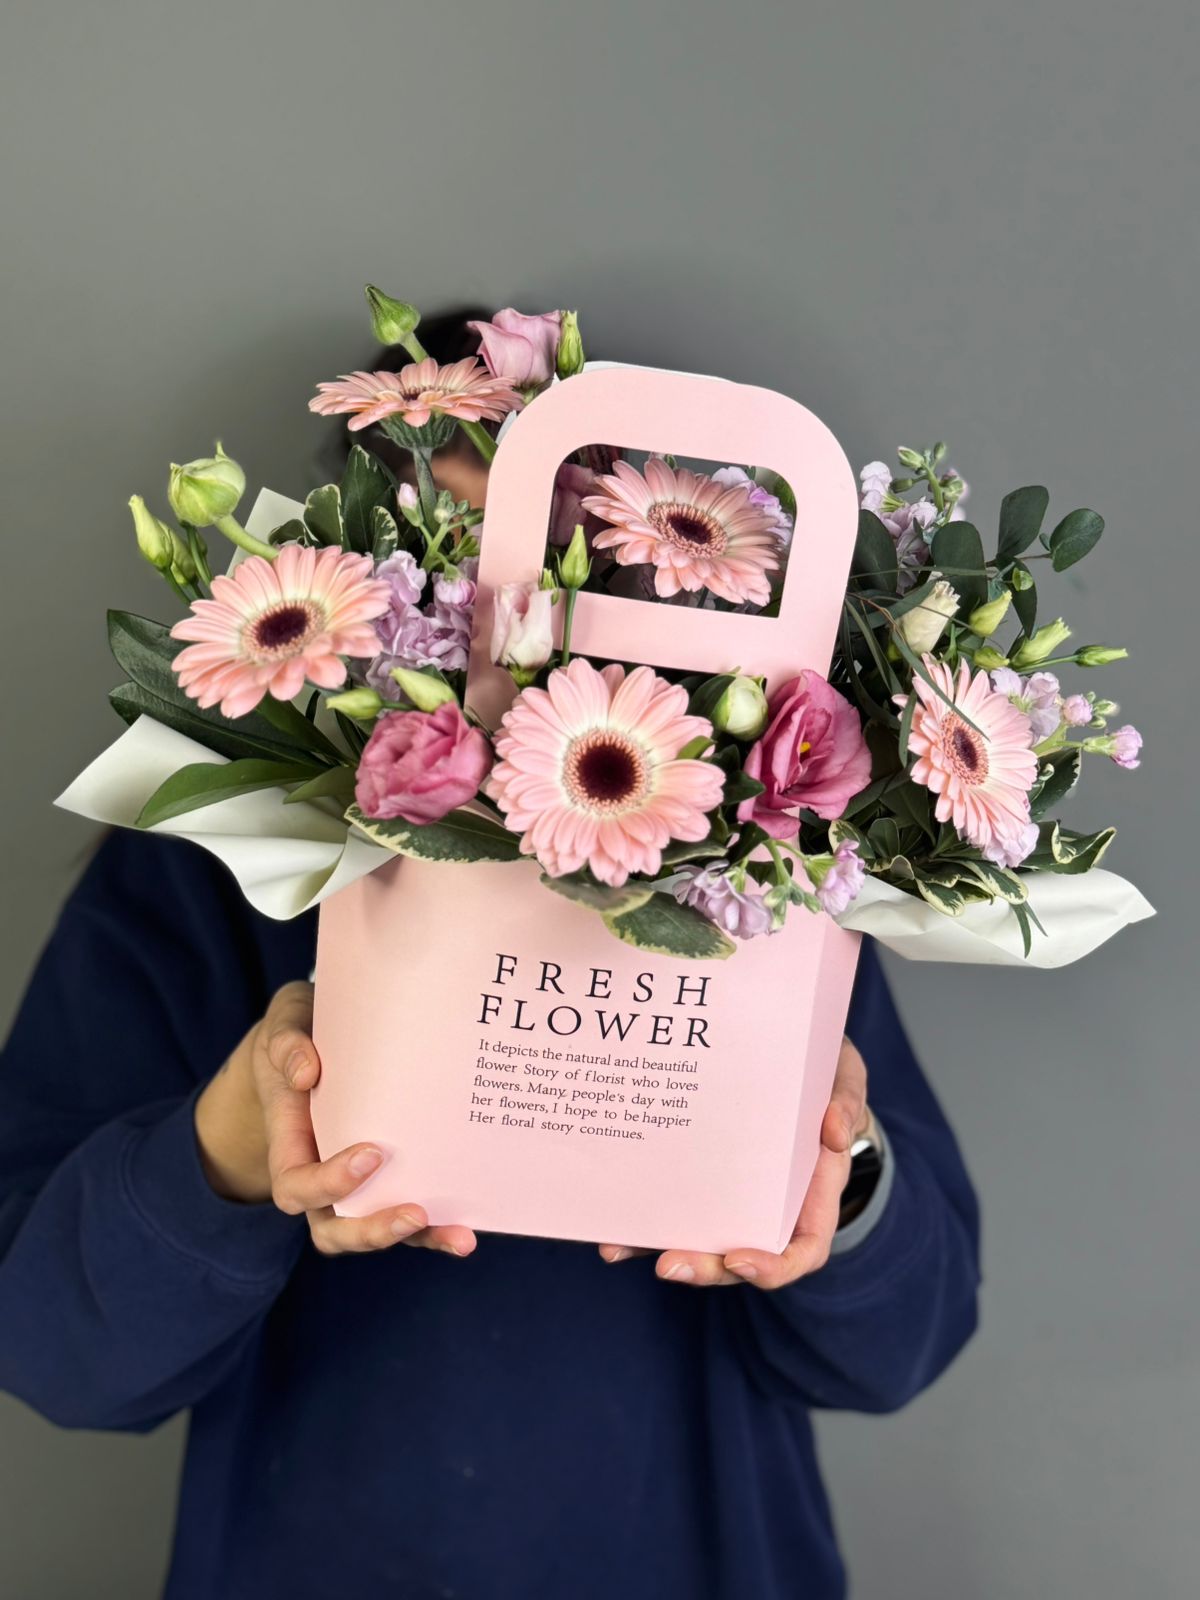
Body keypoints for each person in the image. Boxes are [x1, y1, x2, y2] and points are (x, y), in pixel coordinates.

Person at [0, 314, 981, 1600]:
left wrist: (837, 1180)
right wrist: (235, 1147)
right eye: (447, 570)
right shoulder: (211, 864)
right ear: (353, 589)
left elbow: (906, 1342)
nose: (498, 621)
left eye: (547, 564)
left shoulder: (753, 863)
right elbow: (54, 1353)